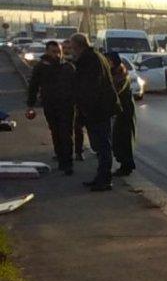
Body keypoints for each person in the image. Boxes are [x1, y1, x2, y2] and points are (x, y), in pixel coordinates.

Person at [65, 33, 119, 192]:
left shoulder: (89, 60)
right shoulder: (96, 56)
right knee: (101, 145)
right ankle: (101, 177)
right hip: (102, 108)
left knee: (102, 146)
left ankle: (104, 179)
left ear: (78, 46)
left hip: (98, 109)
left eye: (72, 48)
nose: (71, 51)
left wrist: (85, 110)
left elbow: (90, 87)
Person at [25, 40, 76, 174]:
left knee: (66, 133)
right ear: (47, 52)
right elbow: (33, 86)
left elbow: (77, 85)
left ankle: (68, 162)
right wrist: (30, 105)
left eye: (59, 52)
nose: (57, 55)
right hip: (50, 105)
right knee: (56, 132)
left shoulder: (68, 67)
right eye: (54, 52)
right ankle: (61, 158)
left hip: (67, 105)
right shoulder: (41, 67)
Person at [107, 52, 136, 176]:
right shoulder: (115, 71)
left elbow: (114, 90)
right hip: (121, 109)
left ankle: (126, 165)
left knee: (123, 138)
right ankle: (124, 163)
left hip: (125, 109)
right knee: (118, 138)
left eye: (107, 60)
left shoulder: (121, 73)